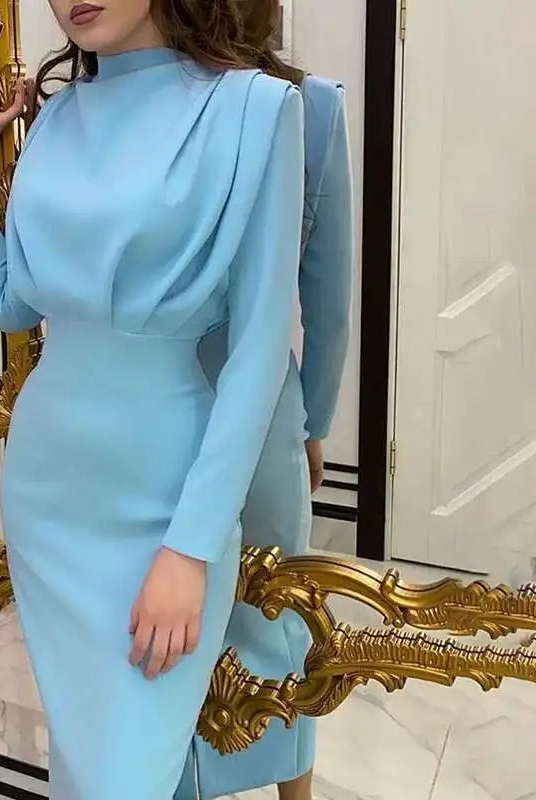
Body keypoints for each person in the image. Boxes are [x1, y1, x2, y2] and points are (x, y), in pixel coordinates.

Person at [0, 1, 307, 797]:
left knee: (126, 773)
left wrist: (191, 548)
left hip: (165, 503)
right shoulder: (57, 120)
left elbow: (257, 355)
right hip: (48, 499)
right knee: (89, 770)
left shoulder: (257, 109)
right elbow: (14, 303)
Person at [178, 74, 354, 800]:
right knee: (277, 614)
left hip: (152, 394)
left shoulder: (152, 94)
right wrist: (312, 422)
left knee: (170, 624)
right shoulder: (309, 107)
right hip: (263, 405)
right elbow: (328, 300)